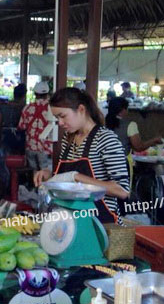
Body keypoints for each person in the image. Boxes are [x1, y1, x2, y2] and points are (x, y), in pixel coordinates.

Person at [34, 87, 130, 224]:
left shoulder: (106, 139)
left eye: (63, 116)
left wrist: (77, 178)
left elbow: (122, 190)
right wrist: (49, 175)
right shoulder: (69, 139)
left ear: (81, 110)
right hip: (72, 222)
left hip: (101, 224)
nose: (60, 123)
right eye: (57, 118)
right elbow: (64, 178)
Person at [19, 81, 54, 172]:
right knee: (46, 173)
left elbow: (22, 126)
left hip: (31, 146)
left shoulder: (27, 108)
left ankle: (35, 186)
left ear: (35, 93)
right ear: (47, 94)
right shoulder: (53, 109)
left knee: (34, 172)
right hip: (46, 148)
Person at [0, 83, 26, 153]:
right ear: (24, 95)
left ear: (14, 94)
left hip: (6, 136)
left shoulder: (4, 106)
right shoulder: (25, 108)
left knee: (5, 160)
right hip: (21, 138)